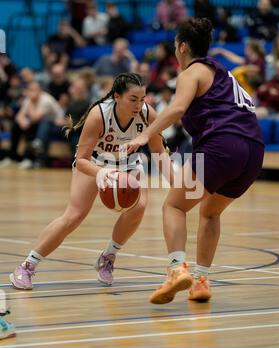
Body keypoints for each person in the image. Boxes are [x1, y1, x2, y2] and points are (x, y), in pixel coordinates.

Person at [126, 18, 264, 304]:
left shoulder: (192, 72)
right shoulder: (223, 73)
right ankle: (201, 280)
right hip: (252, 152)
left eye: (176, 47)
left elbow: (177, 109)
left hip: (221, 146)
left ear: (183, 47)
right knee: (210, 212)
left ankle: (177, 270)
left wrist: (144, 137)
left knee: (174, 205)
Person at [9, 73, 172, 290]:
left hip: (129, 164)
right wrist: (101, 173)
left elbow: (159, 152)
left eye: (142, 99)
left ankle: (108, 257)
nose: (138, 104)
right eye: (133, 99)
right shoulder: (99, 115)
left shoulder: (147, 114)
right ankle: (27, 265)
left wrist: (177, 183)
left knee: (139, 207)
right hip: (94, 163)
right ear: (117, 96)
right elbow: (82, 159)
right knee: (74, 216)